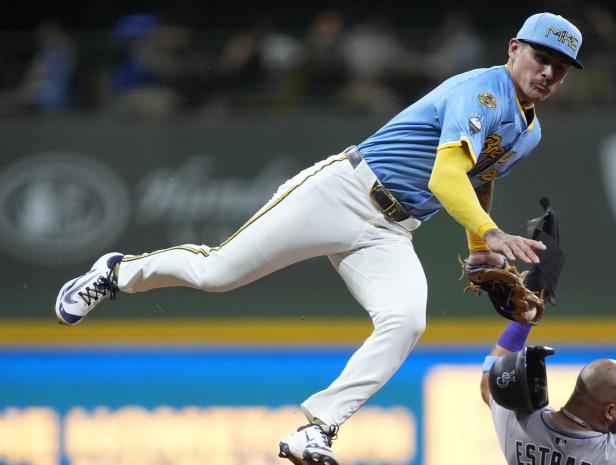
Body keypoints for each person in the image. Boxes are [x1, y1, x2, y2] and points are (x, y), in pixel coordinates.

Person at [53, 11, 584, 465]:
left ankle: (317, 428)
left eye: (559, 68)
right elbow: (447, 178)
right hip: (343, 191)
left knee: (405, 321)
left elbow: (477, 177)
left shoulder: (530, 130)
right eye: (540, 57)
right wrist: (491, 233)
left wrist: (479, 249)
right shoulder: (481, 92)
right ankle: (117, 272)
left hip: (391, 231)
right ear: (513, 49)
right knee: (217, 273)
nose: (548, 72)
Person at [480, 322, 616, 464]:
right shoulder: (613, 456)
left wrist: (523, 319)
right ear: (609, 412)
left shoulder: (520, 422)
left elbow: (489, 383)